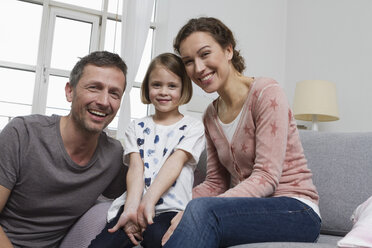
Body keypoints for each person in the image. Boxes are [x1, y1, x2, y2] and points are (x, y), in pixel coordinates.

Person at [161, 17, 322, 248]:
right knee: (171, 214)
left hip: (296, 210)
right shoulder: (210, 115)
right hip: (247, 211)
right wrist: (169, 203)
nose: (198, 68)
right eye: (188, 61)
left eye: (205, 54)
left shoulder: (266, 93)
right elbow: (215, 184)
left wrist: (193, 208)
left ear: (228, 50)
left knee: (202, 211)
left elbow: (266, 178)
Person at [0, 51, 128, 248]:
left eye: (114, 93)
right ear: (70, 91)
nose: (104, 101)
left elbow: (141, 194)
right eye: (94, 88)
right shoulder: (22, 134)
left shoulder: (113, 155)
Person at [89, 53, 205, 248]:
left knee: (156, 237)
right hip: (134, 204)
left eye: (172, 86)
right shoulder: (136, 127)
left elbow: (175, 162)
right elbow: (135, 168)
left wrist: (148, 203)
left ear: (183, 88)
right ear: (147, 88)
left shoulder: (193, 127)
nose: (163, 92)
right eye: (156, 85)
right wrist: (132, 208)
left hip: (172, 210)